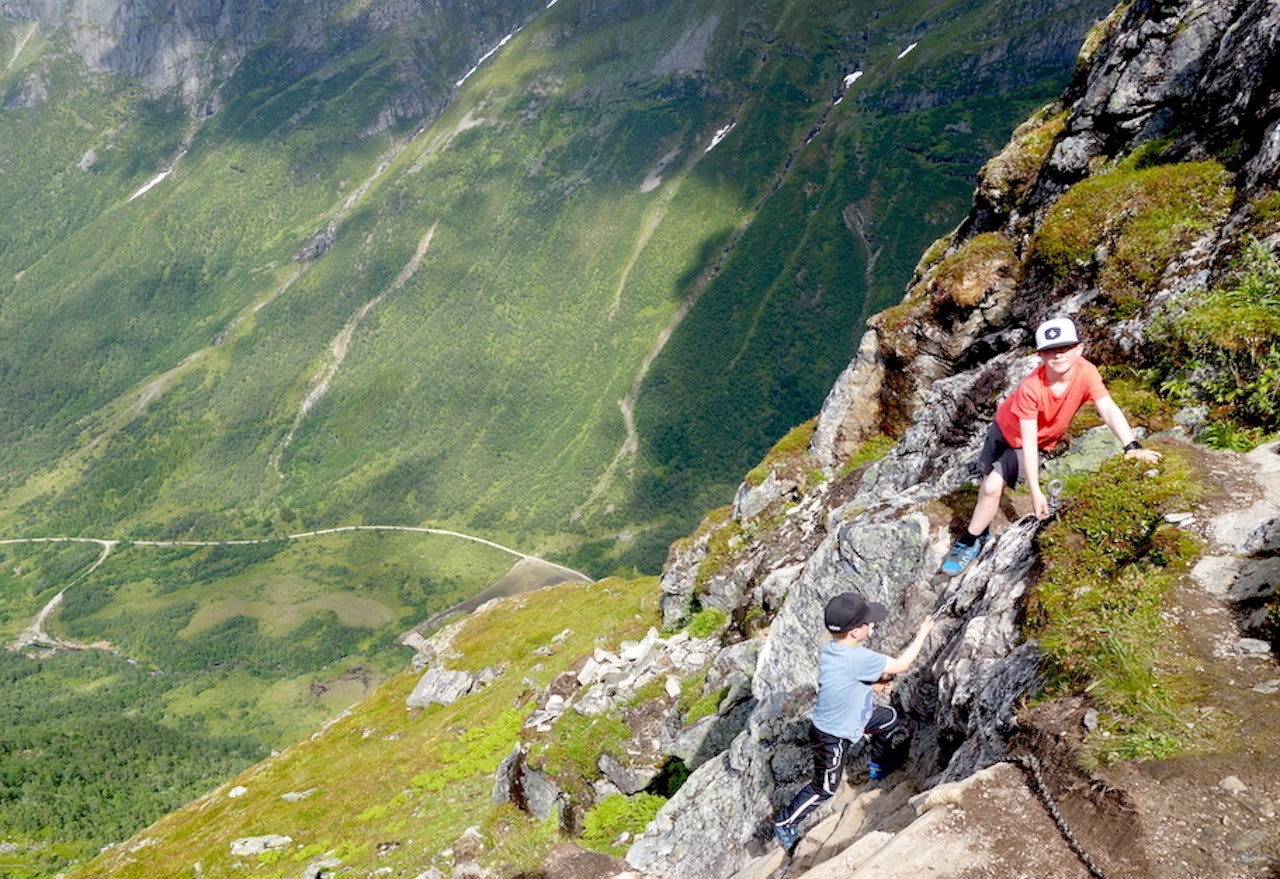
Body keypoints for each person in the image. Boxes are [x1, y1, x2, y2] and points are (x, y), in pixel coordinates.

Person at [938, 317, 1164, 577]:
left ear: (1078, 349)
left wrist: (1131, 446)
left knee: (991, 488)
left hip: (1031, 442)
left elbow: (1107, 409)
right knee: (988, 483)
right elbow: (1027, 431)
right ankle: (983, 524)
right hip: (1002, 428)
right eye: (1050, 350)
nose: (1058, 355)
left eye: (1065, 348)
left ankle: (969, 540)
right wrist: (1035, 491)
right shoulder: (1031, 388)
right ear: (1041, 355)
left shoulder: (1086, 373)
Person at [772, 592, 935, 856]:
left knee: (889, 719)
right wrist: (923, 633)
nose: (872, 625)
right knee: (825, 788)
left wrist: (875, 681)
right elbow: (904, 664)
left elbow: (843, 679)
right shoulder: (861, 658)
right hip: (831, 736)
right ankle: (785, 822)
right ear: (855, 632)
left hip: (854, 716)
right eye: (868, 623)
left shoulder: (834, 650)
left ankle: (878, 764)